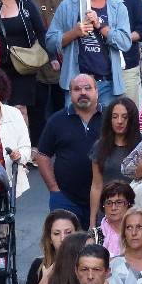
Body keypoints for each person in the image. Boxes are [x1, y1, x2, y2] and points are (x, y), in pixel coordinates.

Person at [47, 0, 133, 107]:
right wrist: (73, 33)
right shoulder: (68, 5)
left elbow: (125, 43)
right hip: (76, 83)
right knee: (76, 128)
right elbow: (50, 42)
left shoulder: (118, 7)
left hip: (107, 84)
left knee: (106, 129)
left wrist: (100, 25)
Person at [36, 74, 104, 229]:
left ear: (96, 91)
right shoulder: (57, 120)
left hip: (104, 199)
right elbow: (42, 155)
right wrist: (54, 189)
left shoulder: (109, 118)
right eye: (77, 89)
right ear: (70, 93)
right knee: (65, 248)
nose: (83, 92)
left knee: (102, 248)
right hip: (66, 198)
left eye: (88, 88)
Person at [88, 97, 142, 220]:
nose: (119, 121)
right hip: (108, 212)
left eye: (124, 117)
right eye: (115, 117)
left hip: (136, 212)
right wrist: (92, 221)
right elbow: (96, 186)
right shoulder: (100, 146)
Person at [25, 210, 81, 284]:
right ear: (50, 238)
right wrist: (44, 281)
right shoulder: (39, 265)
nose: (63, 238)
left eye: (68, 232)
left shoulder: (87, 264)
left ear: (77, 234)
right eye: (57, 233)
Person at [89, 181, 135, 255]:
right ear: (103, 206)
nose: (113, 208)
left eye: (119, 202)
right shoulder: (93, 235)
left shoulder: (137, 232)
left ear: (128, 204)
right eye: (109, 203)